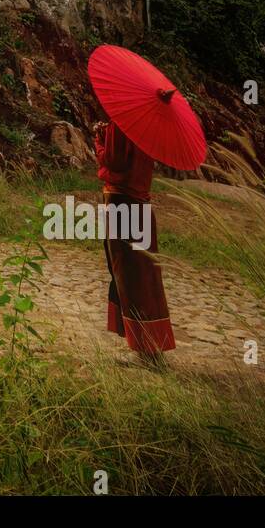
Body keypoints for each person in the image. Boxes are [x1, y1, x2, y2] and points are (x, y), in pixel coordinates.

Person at [93, 117, 176, 359]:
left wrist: (99, 139)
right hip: (141, 203)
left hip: (122, 202)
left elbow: (114, 162)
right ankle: (149, 347)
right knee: (144, 275)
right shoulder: (148, 125)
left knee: (128, 274)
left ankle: (145, 351)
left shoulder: (123, 122)